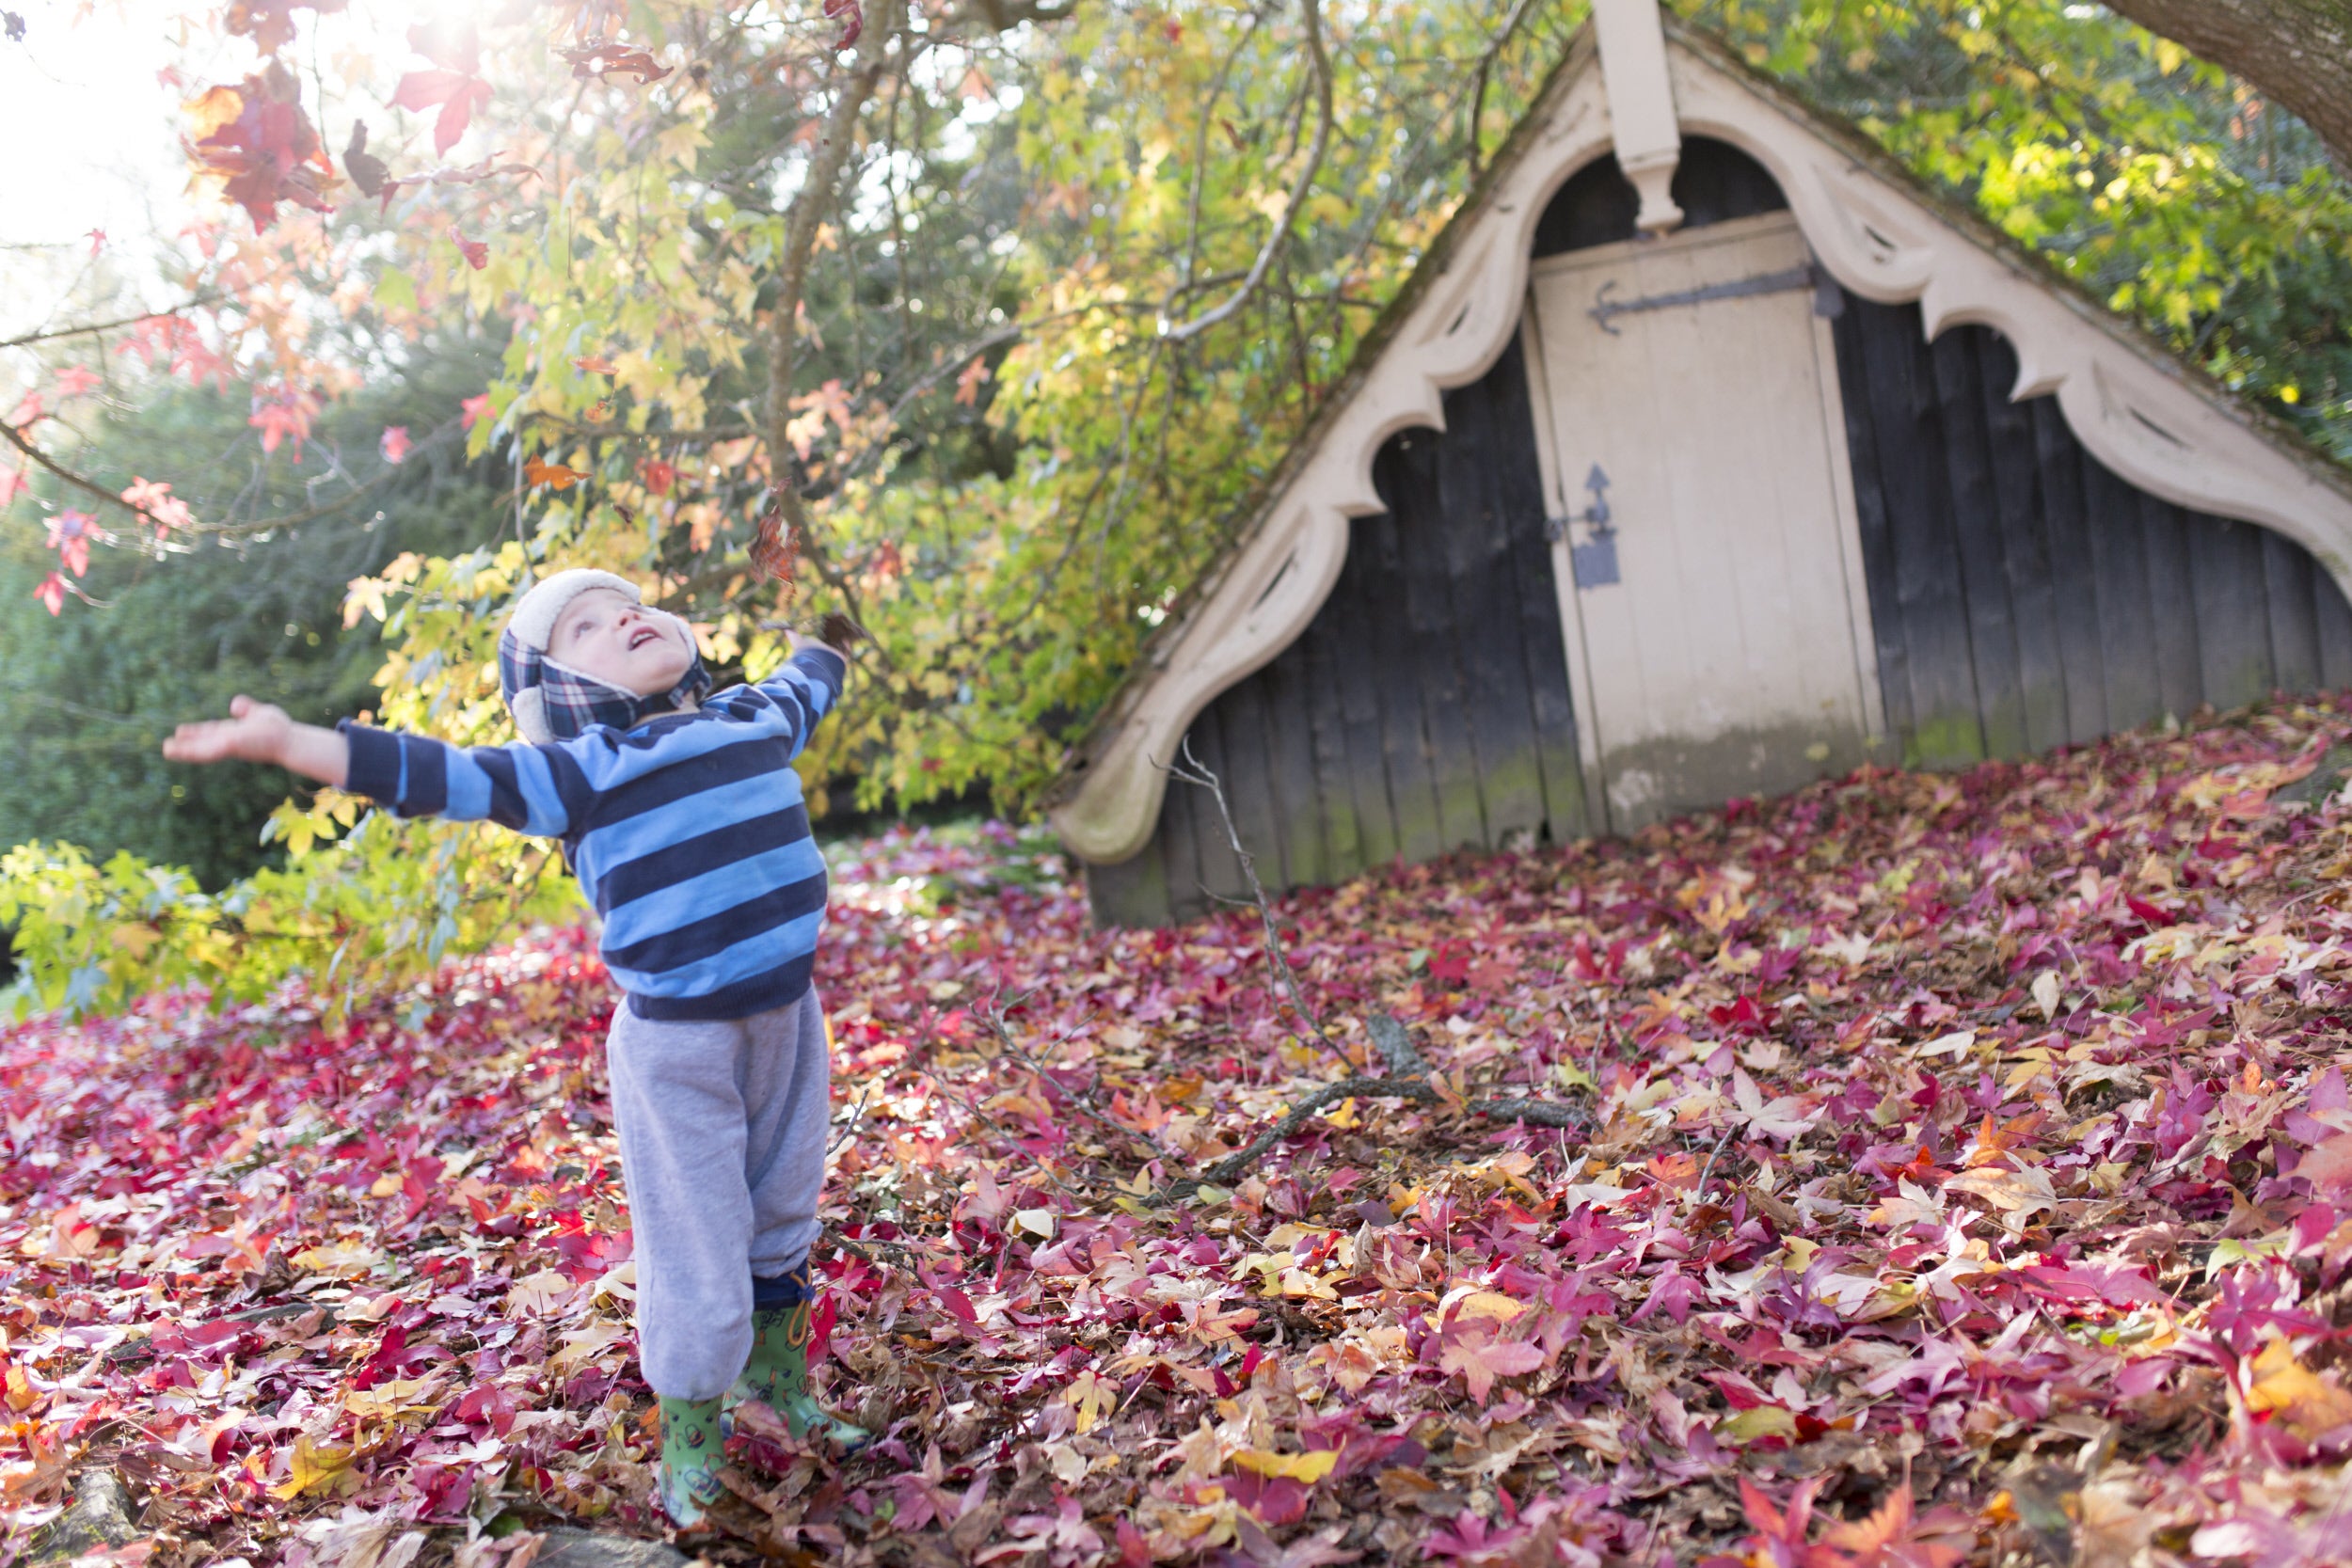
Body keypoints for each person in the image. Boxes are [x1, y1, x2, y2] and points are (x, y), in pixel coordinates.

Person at [162, 568, 866, 1529]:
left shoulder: (752, 716)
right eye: (582, 623)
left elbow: (812, 676)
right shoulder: (580, 770)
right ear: (555, 690)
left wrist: (833, 635)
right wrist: (298, 744)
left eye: (630, 603)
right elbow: (444, 774)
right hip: (679, 1049)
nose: (624, 615)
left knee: (784, 1201)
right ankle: (694, 1427)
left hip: (790, 1018)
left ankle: (779, 1381)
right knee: (698, 1241)